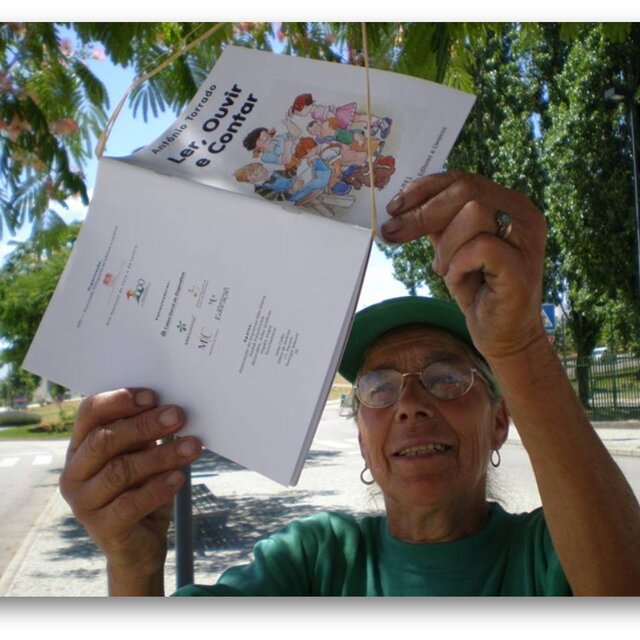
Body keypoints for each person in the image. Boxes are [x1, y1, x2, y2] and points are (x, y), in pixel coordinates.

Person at [59, 170, 640, 596]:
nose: (409, 405)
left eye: (446, 378)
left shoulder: (554, 552)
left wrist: (518, 346)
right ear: (362, 439)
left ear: (499, 423)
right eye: (379, 389)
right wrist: (133, 568)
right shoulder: (313, 562)